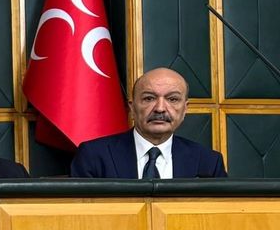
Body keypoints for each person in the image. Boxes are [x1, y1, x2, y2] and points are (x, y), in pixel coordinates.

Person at [70, 67, 226, 178]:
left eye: (172, 99)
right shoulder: (94, 156)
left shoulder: (209, 162)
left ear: (185, 109)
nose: (160, 108)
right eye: (149, 98)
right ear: (132, 107)